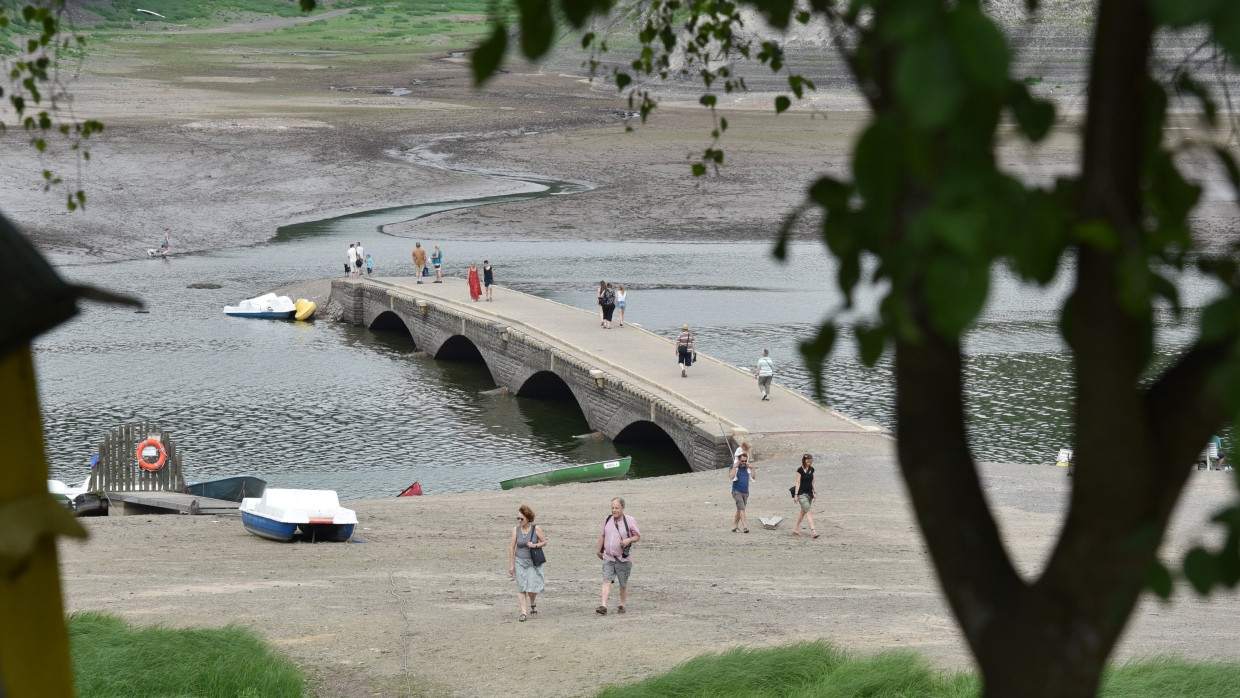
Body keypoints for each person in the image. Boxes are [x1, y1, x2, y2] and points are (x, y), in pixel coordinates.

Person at [596, 497, 640, 615]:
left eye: (617, 508)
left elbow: (637, 536)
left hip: (623, 558)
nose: (614, 510)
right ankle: (603, 606)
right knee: (606, 580)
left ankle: (622, 605)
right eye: (612, 508)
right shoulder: (607, 519)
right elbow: (603, 535)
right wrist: (598, 550)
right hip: (608, 556)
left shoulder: (630, 520)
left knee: (623, 584)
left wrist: (629, 540)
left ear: (623, 508)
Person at [508, 504, 546, 622]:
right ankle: (523, 613)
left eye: (522, 518)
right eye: (518, 518)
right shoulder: (516, 530)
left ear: (528, 518)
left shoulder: (536, 529)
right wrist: (511, 565)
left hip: (532, 563)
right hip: (519, 561)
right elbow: (512, 547)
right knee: (521, 587)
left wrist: (534, 545)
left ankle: (533, 603)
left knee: (532, 588)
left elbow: (544, 542)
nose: (519, 520)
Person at [791, 453, 819, 538]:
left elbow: (813, 481)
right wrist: (796, 495)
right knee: (809, 511)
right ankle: (813, 531)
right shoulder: (799, 470)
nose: (809, 461)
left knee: (803, 512)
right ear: (804, 460)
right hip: (801, 494)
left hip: (809, 494)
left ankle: (795, 529)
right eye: (807, 460)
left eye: (810, 460)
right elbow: (797, 483)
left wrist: (815, 492)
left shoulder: (811, 469)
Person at [730, 451, 755, 533]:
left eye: (745, 461)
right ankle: (745, 527)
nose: (744, 462)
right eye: (742, 461)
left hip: (745, 492)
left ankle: (734, 526)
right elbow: (731, 477)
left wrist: (752, 468)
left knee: (740, 509)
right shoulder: (734, 467)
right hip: (737, 491)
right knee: (742, 508)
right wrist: (734, 468)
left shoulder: (747, 468)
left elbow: (753, 477)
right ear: (738, 460)